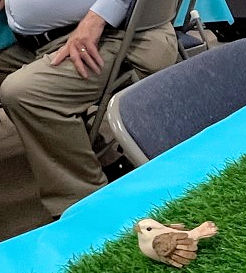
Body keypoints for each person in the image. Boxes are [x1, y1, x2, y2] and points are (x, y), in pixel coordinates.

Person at [0, 0, 177, 218]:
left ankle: (89, 211)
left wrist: (96, 19)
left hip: (119, 35)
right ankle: (101, 160)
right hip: (44, 40)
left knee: (24, 93)